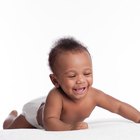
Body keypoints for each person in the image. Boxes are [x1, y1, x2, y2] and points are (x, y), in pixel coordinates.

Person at [3, 37, 140, 131]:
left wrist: (138, 118)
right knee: (10, 128)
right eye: (72, 76)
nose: (80, 80)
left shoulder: (94, 95)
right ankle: (11, 117)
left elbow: (118, 106)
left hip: (49, 108)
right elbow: (50, 122)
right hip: (35, 114)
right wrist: (69, 128)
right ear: (55, 81)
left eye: (87, 73)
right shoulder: (55, 96)